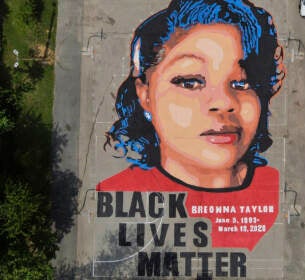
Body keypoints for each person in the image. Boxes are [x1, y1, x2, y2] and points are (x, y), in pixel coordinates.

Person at [97, 0, 285, 192]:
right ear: (145, 96)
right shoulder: (113, 191)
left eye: (243, 83)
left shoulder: (278, 188)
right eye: (190, 82)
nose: (224, 102)